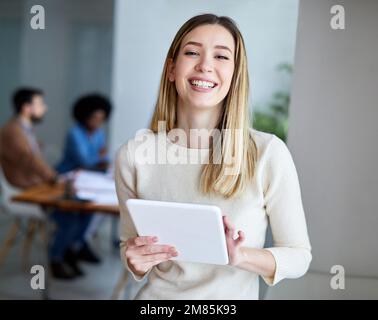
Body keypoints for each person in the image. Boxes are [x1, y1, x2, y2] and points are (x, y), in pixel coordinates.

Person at [114, 14, 312, 299]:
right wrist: (135, 260)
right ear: (171, 69)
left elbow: (299, 257)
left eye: (221, 56)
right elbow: (129, 248)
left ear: (235, 74)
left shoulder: (267, 153)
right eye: (192, 52)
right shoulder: (134, 155)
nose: (205, 65)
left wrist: (240, 256)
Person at [49, 94, 112, 278]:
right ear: (84, 116)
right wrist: (99, 160)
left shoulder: (99, 133)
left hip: (88, 180)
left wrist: (100, 160)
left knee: (90, 211)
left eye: (101, 118)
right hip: (67, 180)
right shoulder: (74, 134)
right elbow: (85, 160)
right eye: (94, 118)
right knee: (71, 217)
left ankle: (75, 247)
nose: (98, 122)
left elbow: (102, 159)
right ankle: (58, 256)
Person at [0, 88, 57, 188]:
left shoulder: (24, 128)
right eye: (40, 104)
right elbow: (28, 158)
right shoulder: (13, 131)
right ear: (26, 108)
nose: (45, 108)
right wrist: (53, 177)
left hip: (32, 181)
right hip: (23, 186)